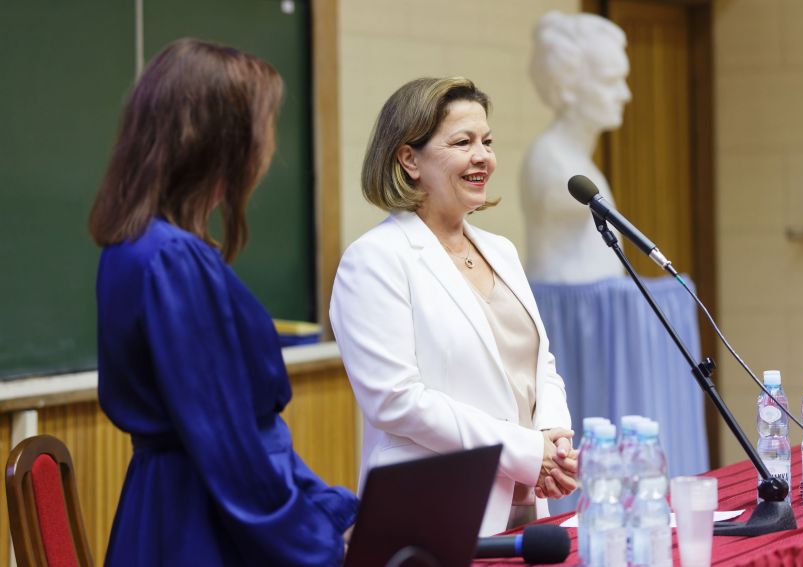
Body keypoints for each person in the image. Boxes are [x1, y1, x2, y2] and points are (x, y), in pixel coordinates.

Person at [88, 38, 357, 566]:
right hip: (204, 526)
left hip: (188, 509)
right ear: (220, 142)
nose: (268, 148)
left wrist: (331, 511)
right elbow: (228, 447)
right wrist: (316, 542)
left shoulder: (137, 246)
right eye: (263, 129)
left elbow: (247, 437)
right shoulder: (172, 260)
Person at [330, 77, 577, 536]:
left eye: (487, 141)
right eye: (463, 142)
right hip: (432, 511)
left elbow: (539, 362)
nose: (483, 156)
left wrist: (553, 441)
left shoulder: (500, 250)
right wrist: (525, 451)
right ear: (409, 159)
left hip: (524, 506)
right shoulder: (374, 260)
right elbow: (397, 401)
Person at [521, 12, 632, 283]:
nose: (625, 94)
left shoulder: (578, 161)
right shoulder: (553, 165)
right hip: (573, 314)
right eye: (609, 81)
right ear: (566, 85)